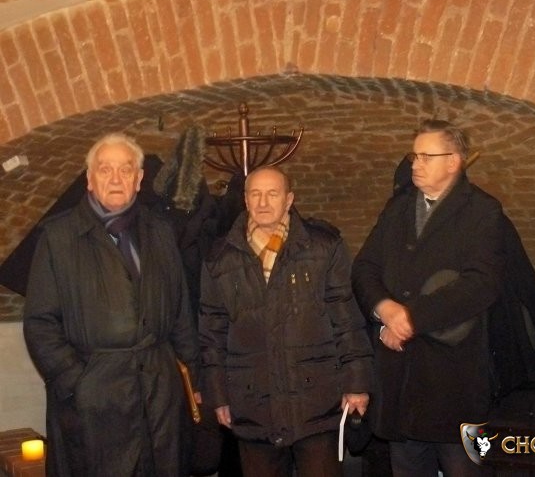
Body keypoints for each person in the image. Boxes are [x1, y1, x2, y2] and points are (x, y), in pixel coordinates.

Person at [23, 133, 200, 476]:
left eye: (125, 169)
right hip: (95, 396)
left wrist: (193, 375)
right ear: (90, 179)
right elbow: (40, 323)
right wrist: (77, 381)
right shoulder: (58, 237)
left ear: (139, 179)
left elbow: (179, 309)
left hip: (159, 390)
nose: (116, 178)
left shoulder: (160, 231)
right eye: (105, 170)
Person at [351, 119, 505, 476]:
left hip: (455, 378)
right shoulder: (399, 208)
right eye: (414, 156)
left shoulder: (482, 210)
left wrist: (411, 319)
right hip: (401, 376)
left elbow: (481, 283)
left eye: (425, 156)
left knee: (465, 469)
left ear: (453, 162)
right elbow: (364, 267)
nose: (415, 165)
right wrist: (385, 309)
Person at [199, 165, 373, 477]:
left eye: (272, 194)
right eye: (255, 194)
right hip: (252, 399)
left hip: (316, 397)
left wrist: (356, 382)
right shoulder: (221, 257)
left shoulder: (323, 248)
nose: (263, 202)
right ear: (245, 200)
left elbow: (346, 317)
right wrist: (218, 396)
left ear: (289, 199)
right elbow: (212, 330)